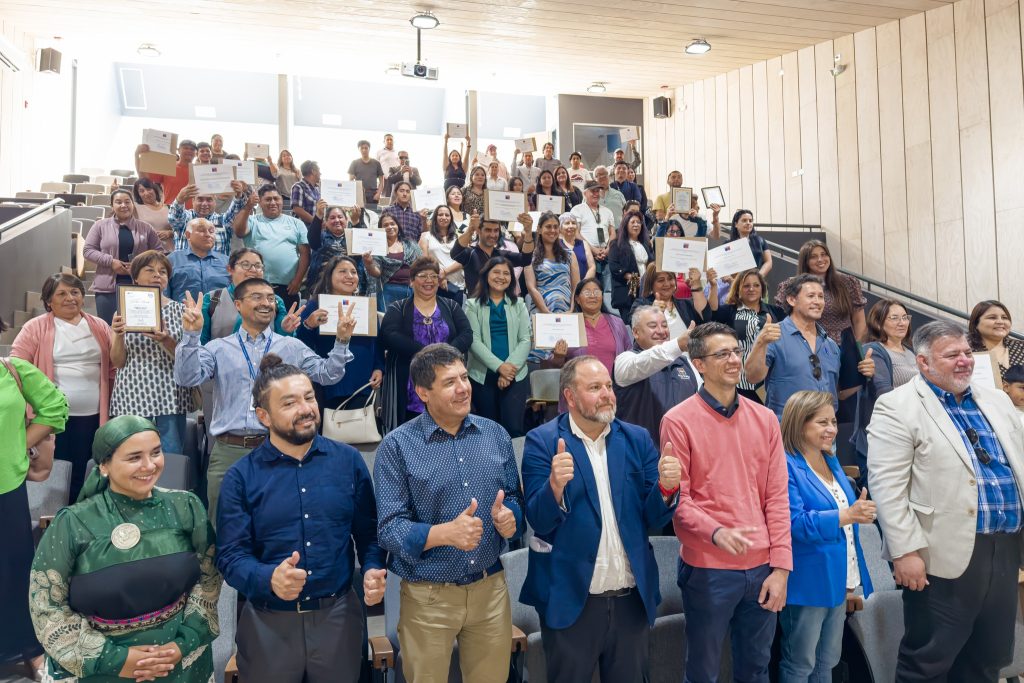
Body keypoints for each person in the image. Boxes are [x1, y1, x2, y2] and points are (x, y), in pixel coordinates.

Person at [868, 321, 1024, 682]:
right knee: (928, 663)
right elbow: (887, 487)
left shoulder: (996, 400)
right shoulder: (897, 406)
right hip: (939, 555)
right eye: (952, 355)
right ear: (923, 362)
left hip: (1005, 547)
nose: (964, 360)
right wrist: (904, 551)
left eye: (967, 352)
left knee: (989, 658)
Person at [216, 355, 386, 683]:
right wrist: (268, 578)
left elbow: (369, 534)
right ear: (263, 416)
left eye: (309, 397)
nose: (306, 409)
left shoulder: (348, 461)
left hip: (337, 618)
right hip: (268, 622)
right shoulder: (241, 477)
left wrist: (372, 568)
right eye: (290, 403)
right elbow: (230, 556)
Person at [520, 355, 679, 681]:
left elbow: (653, 516)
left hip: (630, 601)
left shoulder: (636, 438)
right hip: (570, 601)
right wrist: (554, 487)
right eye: (595, 388)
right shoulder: (543, 441)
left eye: (608, 386)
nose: (607, 394)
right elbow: (538, 520)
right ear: (570, 396)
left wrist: (666, 487)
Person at [29, 416, 221, 683]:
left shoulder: (185, 507)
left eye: (156, 452)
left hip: (180, 661)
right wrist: (116, 660)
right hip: (102, 670)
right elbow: (46, 606)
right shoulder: (72, 523)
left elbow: (210, 579)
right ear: (104, 465)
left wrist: (183, 643)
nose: (149, 465)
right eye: (134, 457)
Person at [374, 343, 525, 683]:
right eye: (449, 382)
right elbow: (389, 528)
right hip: (428, 596)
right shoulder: (397, 446)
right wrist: (443, 533)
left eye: (464, 378)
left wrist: (510, 518)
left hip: (490, 590)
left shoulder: (496, 434)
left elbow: (515, 497)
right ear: (423, 392)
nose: (463, 388)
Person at [661, 322, 793, 683]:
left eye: (736, 351)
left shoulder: (765, 418)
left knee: (756, 670)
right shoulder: (678, 420)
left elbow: (777, 497)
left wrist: (781, 568)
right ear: (699, 364)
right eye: (722, 354)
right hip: (708, 568)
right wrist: (716, 532)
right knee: (703, 673)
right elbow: (678, 499)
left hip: (763, 566)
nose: (734, 360)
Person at [174, 277, 356, 520]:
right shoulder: (218, 347)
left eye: (271, 298)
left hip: (279, 448)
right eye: (257, 297)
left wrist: (342, 341)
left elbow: (328, 374)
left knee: (279, 521)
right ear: (238, 305)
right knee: (224, 524)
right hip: (230, 450)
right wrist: (191, 336)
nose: (266, 303)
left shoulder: (291, 346)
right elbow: (187, 377)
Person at [780, 390, 874, 683]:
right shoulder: (786, 465)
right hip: (807, 580)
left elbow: (848, 524)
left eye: (833, 421)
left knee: (828, 661)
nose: (832, 429)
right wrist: (848, 515)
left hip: (838, 578)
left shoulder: (830, 460)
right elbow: (795, 523)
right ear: (799, 423)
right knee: (800, 663)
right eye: (822, 422)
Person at [13, 273, 114, 502]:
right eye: (62, 293)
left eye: (75, 292)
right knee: (57, 469)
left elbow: (112, 367)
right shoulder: (35, 327)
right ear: (49, 301)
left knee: (87, 469)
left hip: (94, 414)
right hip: (51, 419)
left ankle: (84, 511)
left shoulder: (99, 325)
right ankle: (57, 514)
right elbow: (17, 366)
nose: (70, 298)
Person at [0, 348, 66, 680]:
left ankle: (29, 649)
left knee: (14, 571)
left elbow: (55, 407)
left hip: (6, 486)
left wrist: (17, 444)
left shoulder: (12, 370)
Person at [747, 274, 874, 420]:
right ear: (791, 300)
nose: (818, 301)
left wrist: (863, 374)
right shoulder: (774, 336)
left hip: (825, 428)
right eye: (811, 296)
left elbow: (840, 393)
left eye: (821, 297)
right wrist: (760, 343)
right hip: (787, 428)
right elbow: (753, 377)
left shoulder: (831, 345)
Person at [110, 250, 193, 453]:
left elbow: (187, 359)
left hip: (170, 393)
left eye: (162, 271)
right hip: (132, 392)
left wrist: (165, 340)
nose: (157, 275)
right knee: (133, 453)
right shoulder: (123, 310)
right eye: (150, 270)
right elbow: (118, 362)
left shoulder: (181, 311)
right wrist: (118, 335)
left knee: (171, 455)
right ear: (136, 277)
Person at [379, 258, 474, 431]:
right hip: (408, 382)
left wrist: (445, 354)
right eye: (423, 276)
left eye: (433, 276)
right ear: (412, 281)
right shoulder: (397, 308)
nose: (429, 280)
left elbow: (467, 334)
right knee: (409, 432)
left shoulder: (451, 306)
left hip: (448, 378)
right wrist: (427, 354)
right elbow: (389, 335)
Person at [775, 241, 867, 403]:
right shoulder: (792, 285)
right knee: (816, 397)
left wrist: (858, 349)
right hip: (810, 345)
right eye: (814, 256)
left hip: (846, 344)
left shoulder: (847, 282)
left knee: (848, 401)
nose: (820, 260)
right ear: (805, 261)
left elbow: (859, 320)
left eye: (824, 255)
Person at [297, 255, 384, 413]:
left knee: (362, 426)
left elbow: (377, 342)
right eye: (342, 271)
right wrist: (308, 325)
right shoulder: (315, 306)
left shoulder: (366, 306)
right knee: (331, 425)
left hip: (363, 380)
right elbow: (302, 346)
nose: (349, 276)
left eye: (353, 272)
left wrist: (379, 367)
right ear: (329, 276)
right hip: (328, 381)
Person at [849, 299, 916, 481]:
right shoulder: (873, 350)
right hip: (883, 436)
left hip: (909, 431)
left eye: (905, 317)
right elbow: (884, 392)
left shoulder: (911, 352)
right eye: (894, 318)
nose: (902, 323)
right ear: (878, 322)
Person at [613, 306, 700, 445]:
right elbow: (650, 359)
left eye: (664, 325)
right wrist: (678, 344)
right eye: (653, 326)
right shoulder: (625, 361)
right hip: (640, 451)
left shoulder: (685, 362)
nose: (661, 331)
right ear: (635, 332)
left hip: (682, 448)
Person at [465, 257, 532, 435]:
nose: (501, 277)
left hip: (515, 375)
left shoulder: (519, 304)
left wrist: (508, 370)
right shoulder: (472, 305)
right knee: (487, 430)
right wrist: (500, 367)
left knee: (514, 429)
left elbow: (526, 339)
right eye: (496, 272)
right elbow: (473, 341)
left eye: (506, 273)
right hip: (482, 375)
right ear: (486, 275)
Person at [83, 188, 163, 323]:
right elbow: (88, 250)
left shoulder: (146, 227)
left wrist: (140, 265)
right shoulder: (100, 226)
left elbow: (159, 252)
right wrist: (111, 262)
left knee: (138, 327)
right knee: (109, 327)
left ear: (133, 204)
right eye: (118, 202)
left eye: (127, 202)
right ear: (112, 206)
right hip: (107, 288)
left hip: (140, 286)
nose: (123, 205)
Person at [706, 268, 786, 403]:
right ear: (738, 289)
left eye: (756, 285)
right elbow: (713, 311)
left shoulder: (776, 312)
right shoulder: (730, 311)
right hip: (738, 380)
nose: (751, 289)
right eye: (746, 286)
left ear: (762, 289)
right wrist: (713, 286)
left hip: (767, 381)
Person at [230, 183, 310, 310]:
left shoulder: (297, 223)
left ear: (282, 200)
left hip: (288, 288)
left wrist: (298, 281)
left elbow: (305, 254)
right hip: (256, 286)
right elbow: (239, 231)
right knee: (257, 320)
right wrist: (248, 206)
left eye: (276, 198)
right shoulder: (252, 220)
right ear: (260, 202)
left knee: (287, 321)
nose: (273, 202)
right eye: (268, 199)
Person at [198, 248, 300, 344]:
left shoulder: (274, 301)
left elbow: (281, 342)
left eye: (258, 266)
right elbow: (201, 342)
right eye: (245, 265)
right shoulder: (212, 299)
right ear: (230, 269)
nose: (253, 270)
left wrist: (286, 330)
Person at [557, 278, 632, 374]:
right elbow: (555, 364)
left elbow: (629, 356)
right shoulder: (569, 325)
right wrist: (558, 357)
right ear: (577, 299)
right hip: (580, 382)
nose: (592, 296)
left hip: (612, 383)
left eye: (596, 292)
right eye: (587, 293)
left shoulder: (617, 323)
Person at [452, 211, 536, 295]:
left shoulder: (502, 255)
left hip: (500, 302)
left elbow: (526, 260)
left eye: (496, 230)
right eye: (488, 230)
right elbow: (455, 253)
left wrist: (528, 233)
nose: (492, 235)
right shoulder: (470, 254)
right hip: (476, 303)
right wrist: (470, 230)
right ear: (478, 230)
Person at [363, 212, 423, 311]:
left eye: (392, 224)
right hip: (387, 292)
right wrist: (369, 263)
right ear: (380, 229)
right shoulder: (377, 248)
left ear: (398, 226)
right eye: (385, 225)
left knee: (410, 319)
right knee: (389, 320)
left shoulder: (410, 244)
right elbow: (377, 273)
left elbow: (422, 265)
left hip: (410, 290)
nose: (390, 227)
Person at [525, 212, 580, 315]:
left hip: (567, 311)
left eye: (555, 227)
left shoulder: (570, 255)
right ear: (539, 229)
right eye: (548, 227)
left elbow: (576, 286)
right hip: (541, 312)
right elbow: (531, 288)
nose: (553, 230)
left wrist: (571, 309)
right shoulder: (530, 257)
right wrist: (547, 312)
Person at [629, 264, 706, 335]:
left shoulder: (686, 304)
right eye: (661, 280)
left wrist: (696, 284)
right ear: (651, 284)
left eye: (670, 279)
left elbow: (706, 318)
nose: (667, 284)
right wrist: (652, 312)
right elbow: (635, 327)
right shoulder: (641, 304)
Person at [167, 218, 231, 302]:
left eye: (211, 231)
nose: (208, 235)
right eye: (201, 230)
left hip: (221, 310)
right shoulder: (172, 260)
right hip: (182, 309)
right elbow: (163, 295)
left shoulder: (227, 262)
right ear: (188, 235)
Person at [608, 212, 653, 323]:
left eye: (638, 222)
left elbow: (652, 263)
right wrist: (632, 278)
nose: (636, 225)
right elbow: (614, 267)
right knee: (631, 323)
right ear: (625, 225)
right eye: (632, 222)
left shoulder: (646, 244)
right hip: (627, 292)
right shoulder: (616, 244)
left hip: (645, 290)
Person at [168, 184, 233, 255]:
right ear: (193, 201)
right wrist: (179, 200)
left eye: (209, 200)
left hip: (217, 262)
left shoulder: (223, 220)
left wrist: (239, 196)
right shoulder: (185, 218)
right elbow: (174, 219)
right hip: (185, 262)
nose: (204, 203)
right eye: (200, 199)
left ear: (215, 201)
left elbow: (236, 211)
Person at [968, 299, 1024, 380]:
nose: (1000, 322)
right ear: (976, 324)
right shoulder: (967, 352)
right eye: (992, 317)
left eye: (1004, 318)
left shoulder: (1021, 346)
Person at [419, 204, 466, 299]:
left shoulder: (459, 236)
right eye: (440, 215)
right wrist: (439, 277)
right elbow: (424, 262)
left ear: (451, 218)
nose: (444, 217)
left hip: (457, 286)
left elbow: (463, 260)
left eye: (447, 215)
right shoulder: (426, 236)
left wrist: (444, 272)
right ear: (435, 217)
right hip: (434, 285)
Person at [569, 180, 615, 274]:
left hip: (606, 255)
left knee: (607, 283)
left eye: (597, 191)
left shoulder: (608, 211)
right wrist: (593, 249)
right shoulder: (577, 210)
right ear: (585, 193)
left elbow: (613, 233)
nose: (596, 194)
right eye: (593, 191)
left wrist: (607, 250)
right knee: (588, 282)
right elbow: (576, 233)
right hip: (585, 254)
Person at [135, 138, 197, 206]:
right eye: (186, 148)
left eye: (192, 149)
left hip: (194, 210)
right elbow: (143, 177)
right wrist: (136, 155)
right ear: (178, 150)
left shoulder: (198, 170)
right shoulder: (168, 166)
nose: (189, 151)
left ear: (195, 153)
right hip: (170, 209)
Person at [304, 200, 348, 290]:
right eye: (332, 218)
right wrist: (319, 214)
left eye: (340, 217)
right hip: (321, 286)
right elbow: (312, 240)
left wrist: (356, 222)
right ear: (326, 222)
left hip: (347, 284)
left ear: (346, 220)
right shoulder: (321, 237)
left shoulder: (352, 238)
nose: (337, 220)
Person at [133, 178, 174, 251]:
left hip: (169, 252)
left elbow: (181, 230)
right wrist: (114, 191)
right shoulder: (135, 208)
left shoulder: (169, 207)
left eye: (149, 189)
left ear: (154, 189)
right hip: (147, 253)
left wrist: (170, 233)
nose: (146, 193)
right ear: (138, 194)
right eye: (142, 191)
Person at [729, 209, 772, 276]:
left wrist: (758, 277)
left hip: (756, 279)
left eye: (750, 220)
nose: (748, 223)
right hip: (735, 280)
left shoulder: (760, 241)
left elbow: (768, 262)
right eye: (744, 220)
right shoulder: (729, 243)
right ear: (736, 224)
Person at [348, 140, 385, 207]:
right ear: (359, 149)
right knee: (360, 212)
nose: (364, 150)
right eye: (362, 148)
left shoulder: (376, 163)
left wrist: (378, 194)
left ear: (369, 149)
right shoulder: (354, 163)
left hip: (373, 195)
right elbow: (351, 181)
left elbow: (382, 181)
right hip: (359, 193)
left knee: (372, 212)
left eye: (366, 148)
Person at [559, 212, 595, 281]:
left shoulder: (584, 244)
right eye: (567, 223)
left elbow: (592, 267)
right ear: (560, 227)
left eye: (573, 223)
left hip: (583, 284)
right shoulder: (557, 244)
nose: (571, 226)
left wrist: (582, 284)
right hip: (562, 284)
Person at [289, 160, 321, 225]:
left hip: (315, 227)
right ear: (313, 171)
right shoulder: (298, 187)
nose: (320, 173)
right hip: (302, 227)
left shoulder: (317, 189)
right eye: (319, 171)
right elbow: (297, 209)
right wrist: (315, 222)